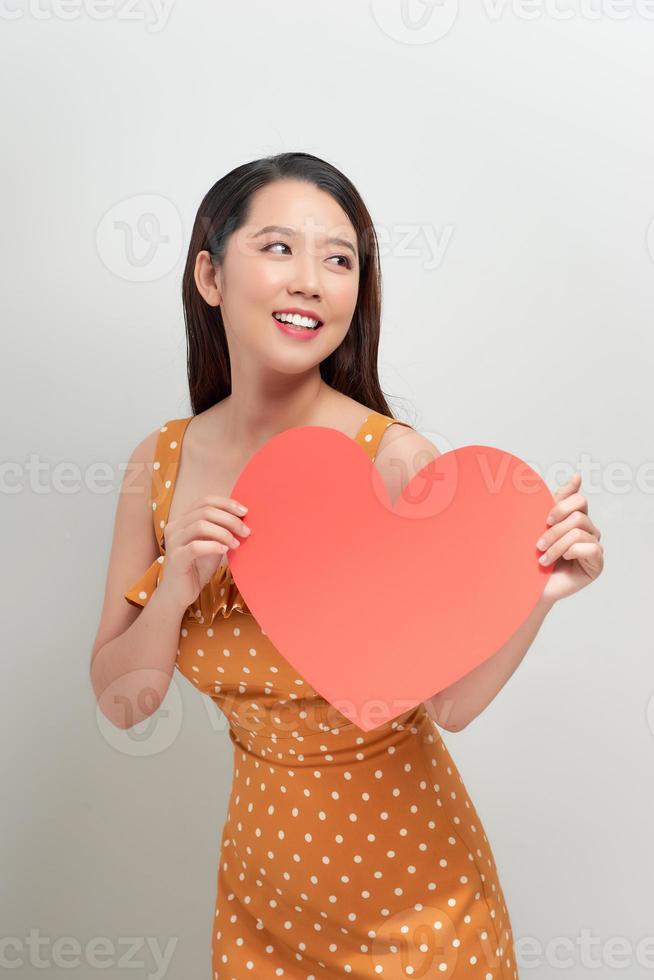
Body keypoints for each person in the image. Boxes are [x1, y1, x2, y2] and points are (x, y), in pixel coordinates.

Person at [90, 151, 604, 978]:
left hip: (419, 910)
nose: (312, 281)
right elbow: (124, 703)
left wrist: (540, 595)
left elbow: (448, 704)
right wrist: (171, 596)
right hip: (260, 904)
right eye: (279, 248)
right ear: (210, 275)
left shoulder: (393, 461)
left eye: (339, 259)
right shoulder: (161, 463)